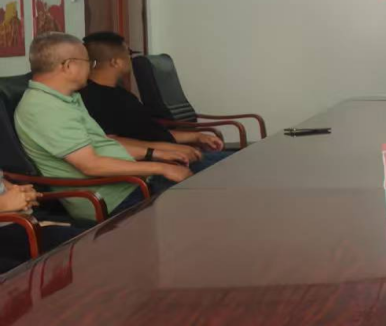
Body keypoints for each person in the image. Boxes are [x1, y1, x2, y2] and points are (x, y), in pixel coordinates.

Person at [14, 33, 191, 221]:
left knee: (202, 188)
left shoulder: (66, 98)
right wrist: (161, 168)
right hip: (113, 200)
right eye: (87, 62)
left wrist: (156, 154)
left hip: (131, 185)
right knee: (199, 201)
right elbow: (90, 165)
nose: (91, 67)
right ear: (68, 66)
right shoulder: (44, 109)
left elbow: (102, 144)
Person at [81, 32, 227, 169]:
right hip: (155, 164)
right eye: (128, 53)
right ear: (115, 62)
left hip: (172, 155)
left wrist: (197, 136)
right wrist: (165, 150)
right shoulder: (92, 98)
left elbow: (152, 132)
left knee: (234, 163)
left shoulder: (121, 94)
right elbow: (108, 142)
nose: (131, 58)